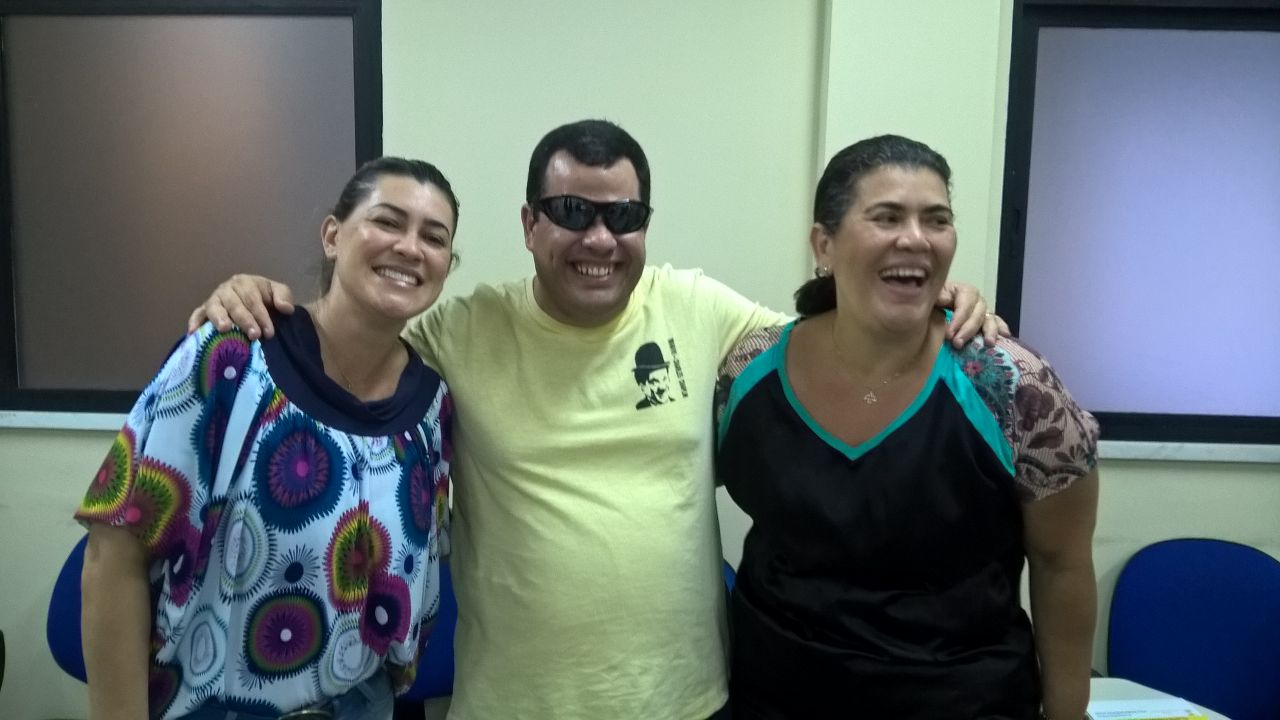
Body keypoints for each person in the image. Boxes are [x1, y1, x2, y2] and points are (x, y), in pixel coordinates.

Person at [188, 120, 1004, 719]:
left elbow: (834, 345)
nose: (601, 239)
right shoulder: (462, 332)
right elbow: (351, 342)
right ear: (529, 224)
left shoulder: (699, 309)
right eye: (573, 211)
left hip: (688, 704)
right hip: (511, 707)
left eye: (625, 216)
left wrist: (928, 302)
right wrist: (256, 296)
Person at [714, 135, 1100, 720]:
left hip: (967, 701)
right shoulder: (748, 371)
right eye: (887, 217)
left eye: (936, 219)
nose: (916, 238)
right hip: (775, 699)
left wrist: (1067, 715)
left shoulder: (1015, 387)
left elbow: (1061, 564)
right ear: (824, 244)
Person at [77, 157, 459, 720]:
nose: (409, 248)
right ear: (333, 236)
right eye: (387, 222)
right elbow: (113, 556)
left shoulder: (431, 408)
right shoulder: (230, 358)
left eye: (434, 237)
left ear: (447, 265)